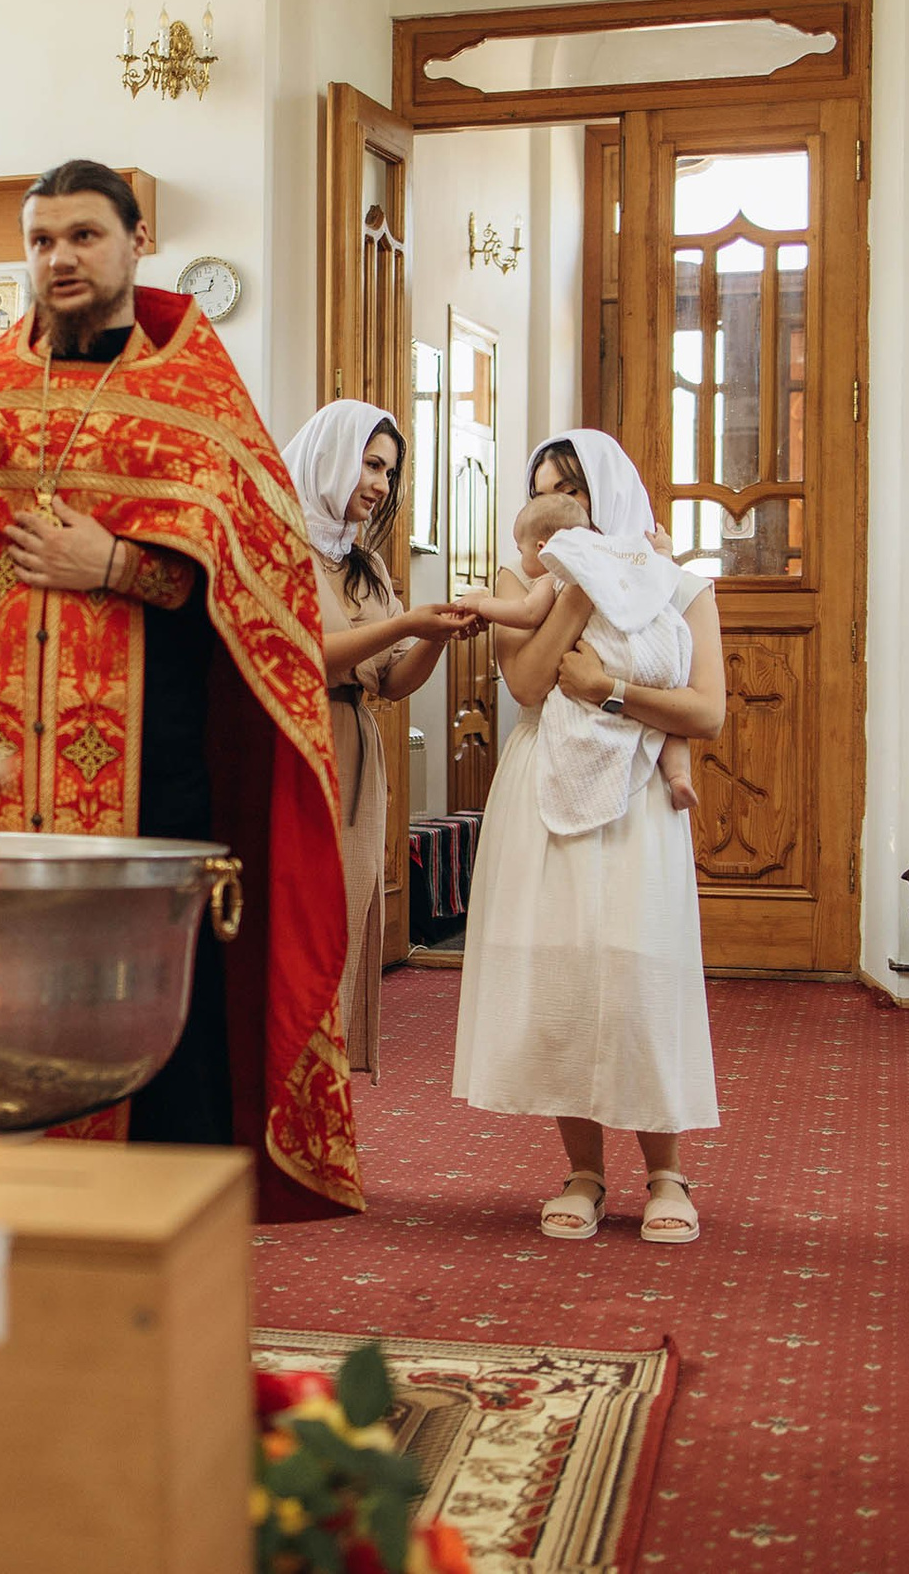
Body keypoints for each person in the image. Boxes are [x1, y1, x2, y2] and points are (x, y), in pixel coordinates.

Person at [0, 159, 361, 1220]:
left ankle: (161, 1266)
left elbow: (256, 602)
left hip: (154, 785)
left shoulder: (201, 406)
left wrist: (117, 566)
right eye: (41, 240)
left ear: (137, 242)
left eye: (82, 236)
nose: (59, 259)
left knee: (159, 1045)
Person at [452, 429, 724, 1244]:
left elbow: (706, 711)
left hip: (638, 787)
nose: (558, 507)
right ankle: (584, 1170)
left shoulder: (677, 582)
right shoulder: (531, 574)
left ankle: (667, 1172)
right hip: (544, 783)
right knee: (563, 971)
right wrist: (580, 581)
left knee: (639, 970)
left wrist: (610, 689)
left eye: (571, 488)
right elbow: (528, 680)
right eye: (542, 491)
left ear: (606, 490)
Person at [278, 399, 476, 1078]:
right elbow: (308, 652)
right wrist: (408, 623)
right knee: (295, 919)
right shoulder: (278, 544)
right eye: (370, 465)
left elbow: (391, 682)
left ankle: (324, 1078)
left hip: (355, 748)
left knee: (344, 916)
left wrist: (436, 636)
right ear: (330, 457)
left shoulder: (364, 565)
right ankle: (285, 1072)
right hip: (295, 740)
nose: (380, 484)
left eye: (389, 472)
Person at [467, 490, 699, 815]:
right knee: (664, 726)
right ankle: (679, 776)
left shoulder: (555, 574)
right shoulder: (621, 558)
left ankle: (605, 787)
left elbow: (528, 613)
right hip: (651, 655)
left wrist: (482, 605)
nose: (519, 560)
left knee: (600, 721)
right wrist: (663, 549)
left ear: (542, 548)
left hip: (606, 660)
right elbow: (656, 574)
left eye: (521, 551)